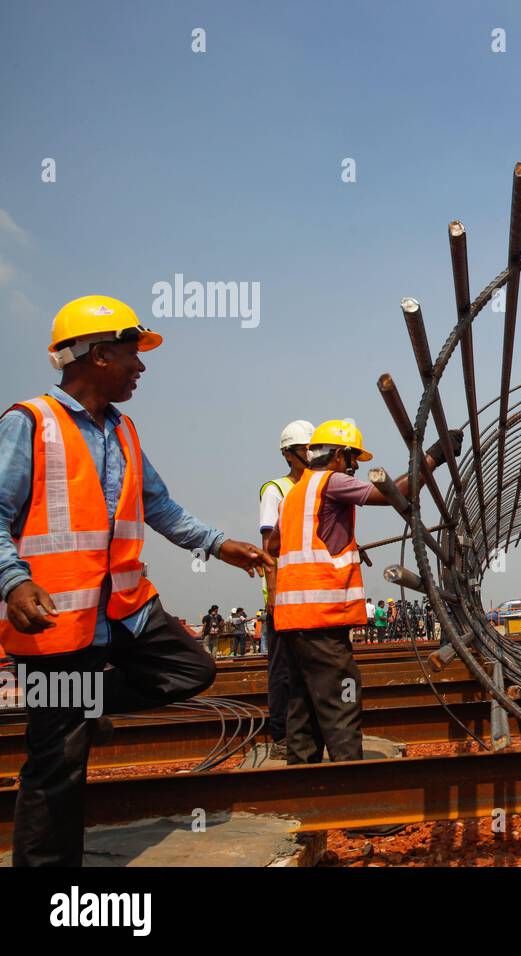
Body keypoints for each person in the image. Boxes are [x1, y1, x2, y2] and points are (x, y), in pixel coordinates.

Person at [0, 294, 271, 866]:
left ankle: (86, 702)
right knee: (58, 765)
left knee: (191, 668)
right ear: (99, 354)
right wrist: (13, 581)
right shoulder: (30, 424)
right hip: (55, 623)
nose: (141, 367)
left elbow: (160, 506)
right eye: (132, 354)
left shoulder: (122, 430)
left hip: (124, 609)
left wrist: (219, 545)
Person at [268, 419, 458, 764]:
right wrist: (434, 457)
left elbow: (276, 542)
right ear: (338, 455)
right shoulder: (331, 481)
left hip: (291, 619)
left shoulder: (295, 493)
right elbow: (393, 493)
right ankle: (351, 782)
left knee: (303, 704)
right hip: (322, 617)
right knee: (342, 697)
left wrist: (340, 540)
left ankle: (301, 786)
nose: (355, 468)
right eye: (353, 459)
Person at [258, 419, 314, 757]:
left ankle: (304, 731)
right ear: (289, 454)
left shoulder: (313, 487)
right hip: (284, 597)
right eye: (306, 447)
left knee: (308, 669)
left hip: (310, 596)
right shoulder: (275, 490)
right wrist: (274, 596)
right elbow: (269, 548)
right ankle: (280, 735)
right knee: (281, 670)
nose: (311, 453)